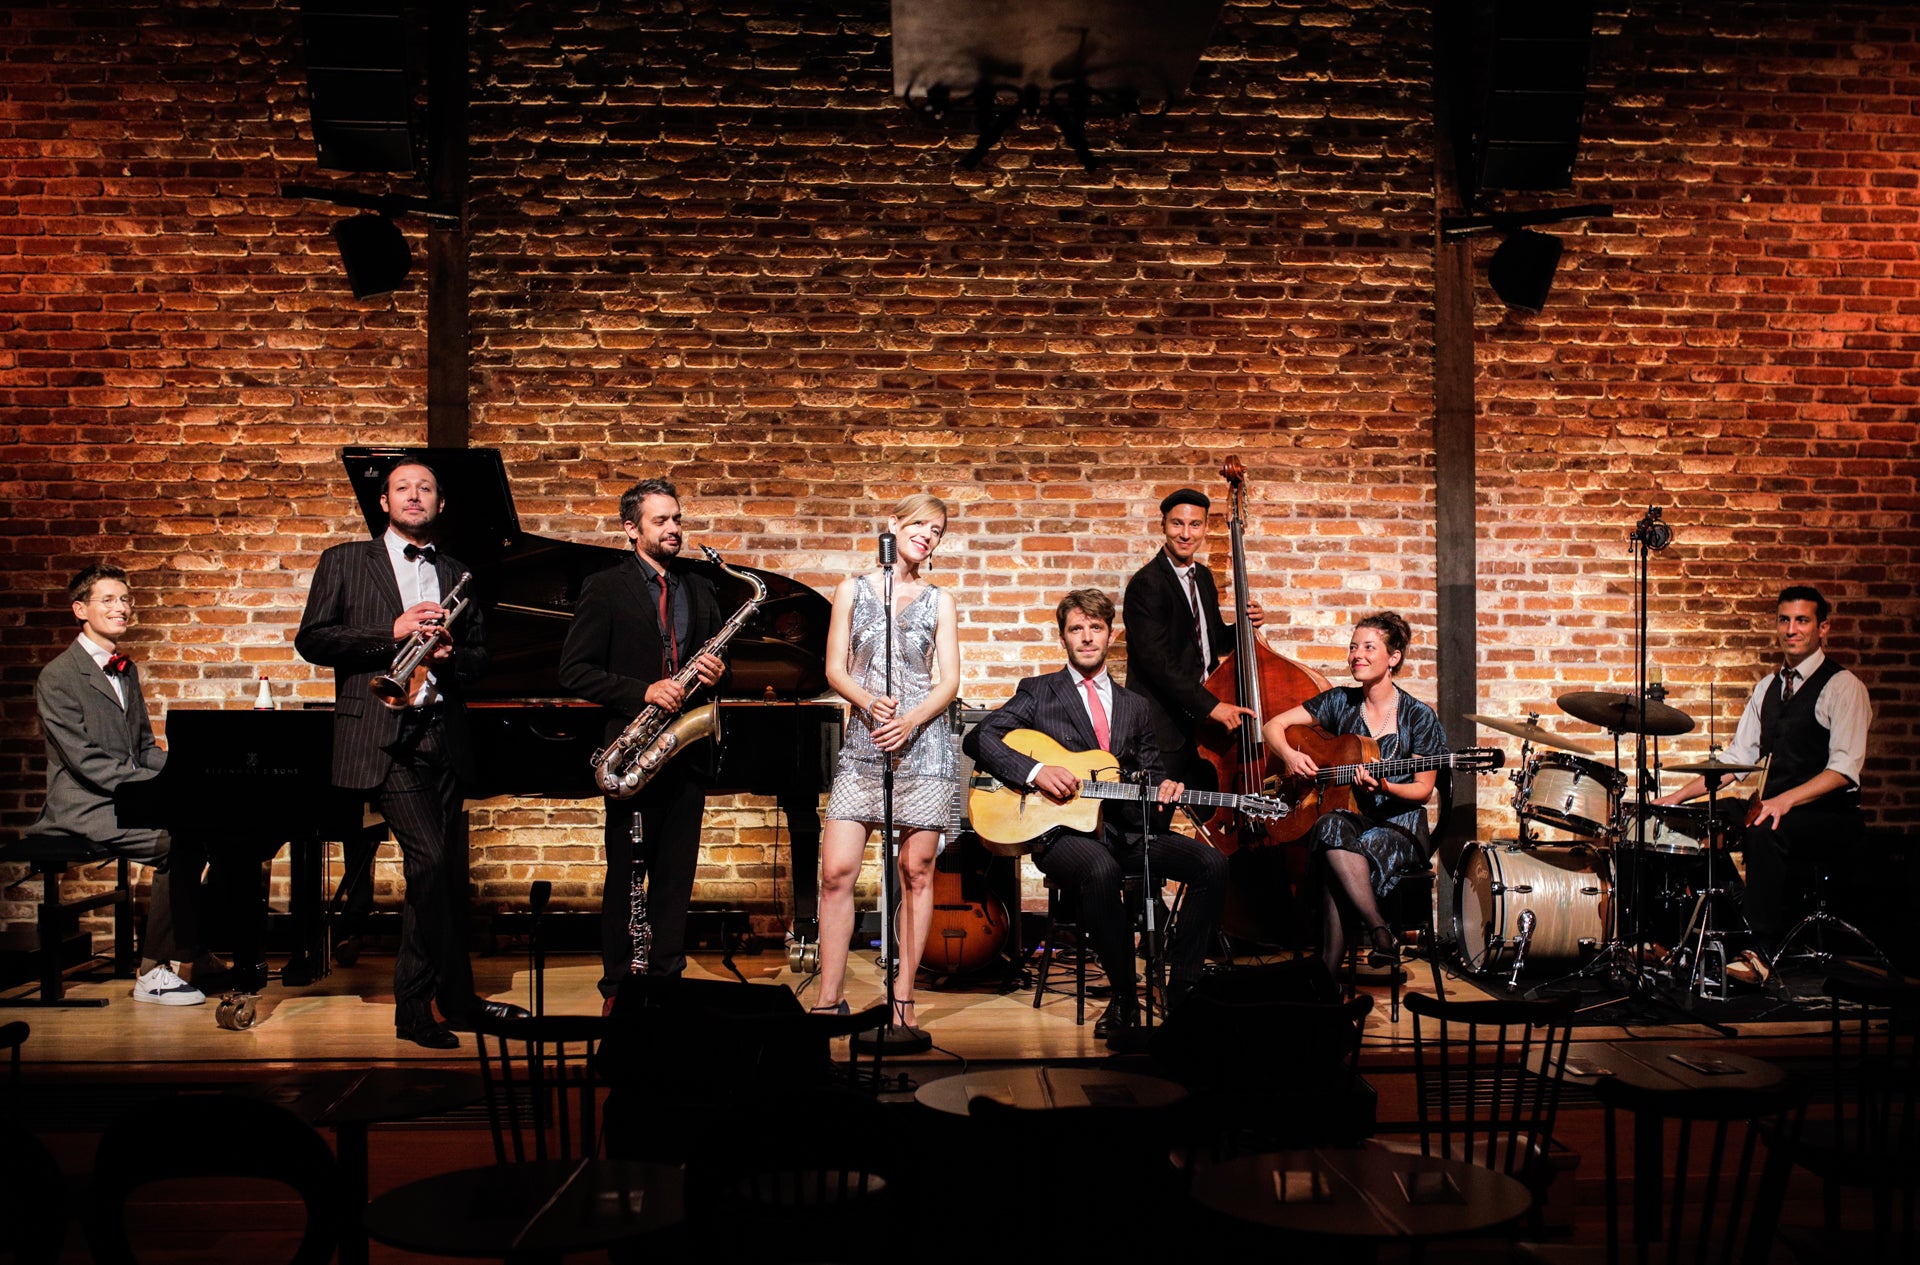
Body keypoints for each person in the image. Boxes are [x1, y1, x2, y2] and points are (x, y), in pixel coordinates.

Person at [296, 460, 518, 1048]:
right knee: (432, 863)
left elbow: (480, 658)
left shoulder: (456, 571)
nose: (415, 495)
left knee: (436, 869)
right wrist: (390, 633)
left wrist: (449, 656)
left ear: (440, 504)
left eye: (426, 488)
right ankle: (424, 1006)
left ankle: (448, 998)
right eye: (403, 488)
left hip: (441, 732)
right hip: (381, 731)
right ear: (385, 502)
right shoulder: (344, 560)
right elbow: (313, 640)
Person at [969, 589, 1228, 1047]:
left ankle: (1185, 990)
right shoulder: (1040, 691)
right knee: (1100, 869)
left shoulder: (1135, 705)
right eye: (1076, 629)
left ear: (1110, 634)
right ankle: (1125, 998)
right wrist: (1035, 771)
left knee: (1211, 864)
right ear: (1064, 637)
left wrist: (1163, 787)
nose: (1086, 638)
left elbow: (1149, 771)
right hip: (1062, 834)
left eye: (1095, 628)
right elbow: (982, 739)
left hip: (1125, 829)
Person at [558, 477, 726, 1007]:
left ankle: (667, 987)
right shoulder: (606, 588)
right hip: (633, 751)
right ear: (631, 530)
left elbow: (722, 660)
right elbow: (574, 671)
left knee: (676, 881)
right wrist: (642, 691)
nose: (674, 528)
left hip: (686, 752)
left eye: (677, 518)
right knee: (627, 878)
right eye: (662, 520)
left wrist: (722, 671)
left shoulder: (698, 588)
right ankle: (619, 989)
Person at [1653, 585, 1870, 983]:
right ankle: (1712, 933)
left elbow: (1843, 770)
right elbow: (1737, 761)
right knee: (1687, 824)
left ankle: (1760, 953)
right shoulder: (1767, 688)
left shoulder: (1844, 686)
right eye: (1784, 620)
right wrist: (1676, 799)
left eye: (1802, 620)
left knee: (1764, 826)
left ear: (1823, 628)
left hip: (1829, 815)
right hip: (1774, 808)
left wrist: (1784, 801)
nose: (1791, 629)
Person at [30, 563, 218, 1005]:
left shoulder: (124, 669)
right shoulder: (57, 676)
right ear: (80, 609)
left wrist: (190, 773)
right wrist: (157, 791)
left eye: (126, 599)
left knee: (212, 831)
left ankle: (194, 951)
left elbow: (144, 748)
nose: (122, 608)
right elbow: (87, 763)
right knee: (176, 841)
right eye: (109, 600)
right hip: (83, 805)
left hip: (123, 796)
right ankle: (153, 971)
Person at [812, 494, 960, 1030]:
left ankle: (903, 998)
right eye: (920, 524)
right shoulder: (852, 589)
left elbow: (949, 681)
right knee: (836, 872)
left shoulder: (940, 600)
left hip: (924, 745)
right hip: (865, 744)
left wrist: (912, 719)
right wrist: (866, 700)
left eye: (937, 530)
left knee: (917, 872)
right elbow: (833, 669)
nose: (928, 535)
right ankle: (829, 997)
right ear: (893, 524)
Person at [1261, 612, 1448, 990]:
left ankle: (1329, 974)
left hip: (1399, 824)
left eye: (1368, 647)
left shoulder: (1419, 716)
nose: (1356, 655)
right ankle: (1379, 931)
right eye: (1352, 647)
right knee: (1331, 827)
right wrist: (1291, 756)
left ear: (1393, 657)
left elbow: (1423, 790)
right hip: (1352, 819)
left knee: (1339, 848)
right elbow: (1272, 726)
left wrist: (1386, 788)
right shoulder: (1339, 702)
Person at [1121, 487, 1261, 793]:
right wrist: (1213, 706)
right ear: (1163, 527)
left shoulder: (1204, 578)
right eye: (1177, 524)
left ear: (1205, 528)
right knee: (1151, 821)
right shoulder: (1147, 585)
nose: (1186, 534)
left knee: (1211, 815)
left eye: (1194, 524)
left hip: (1203, 730)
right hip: (1163, 730)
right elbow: (1157, 663)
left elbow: (1213, 642)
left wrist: (1245, 627)